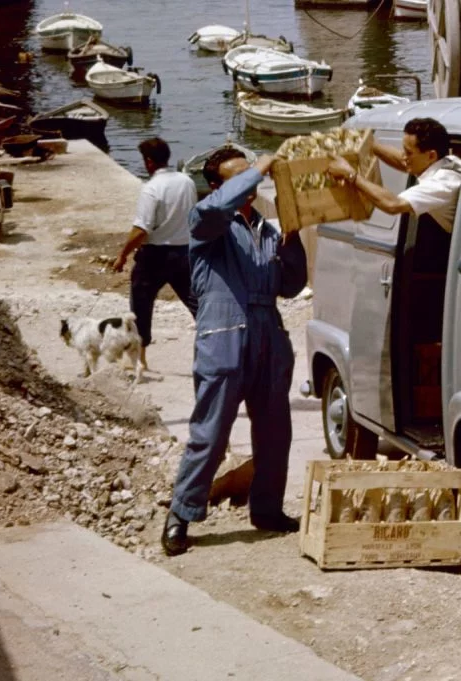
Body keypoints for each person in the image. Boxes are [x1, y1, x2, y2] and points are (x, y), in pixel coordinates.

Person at [162, 147, 308, 557]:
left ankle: (267, 509)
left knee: (276, 432)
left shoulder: (265, 229)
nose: (252, 184)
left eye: (253, 176)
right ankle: (181, 513)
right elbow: (217, 210)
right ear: (215, 187)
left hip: (269, 338)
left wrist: (293, 239)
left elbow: (291, 286)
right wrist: (263, 164)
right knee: (209, 434)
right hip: (224, 336)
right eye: (240, 177)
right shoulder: (207, 223)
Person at [111, 137, 199, 371]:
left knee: (141, 305)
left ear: (149, 162)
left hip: (155, 255)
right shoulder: (186, 181)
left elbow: (142, 229)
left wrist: (122, 255)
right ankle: (218, 345)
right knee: (197, 303)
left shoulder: (151, 188)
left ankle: (139, 358)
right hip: (184, 252)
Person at [326, 117, 461, 234]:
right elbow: (404, 162)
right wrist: (368, 144)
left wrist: (350, 174)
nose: (404, 156)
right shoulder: (448, 161)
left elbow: (393, 205)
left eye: (409, 153)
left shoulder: (441, 185)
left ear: (431, 155)